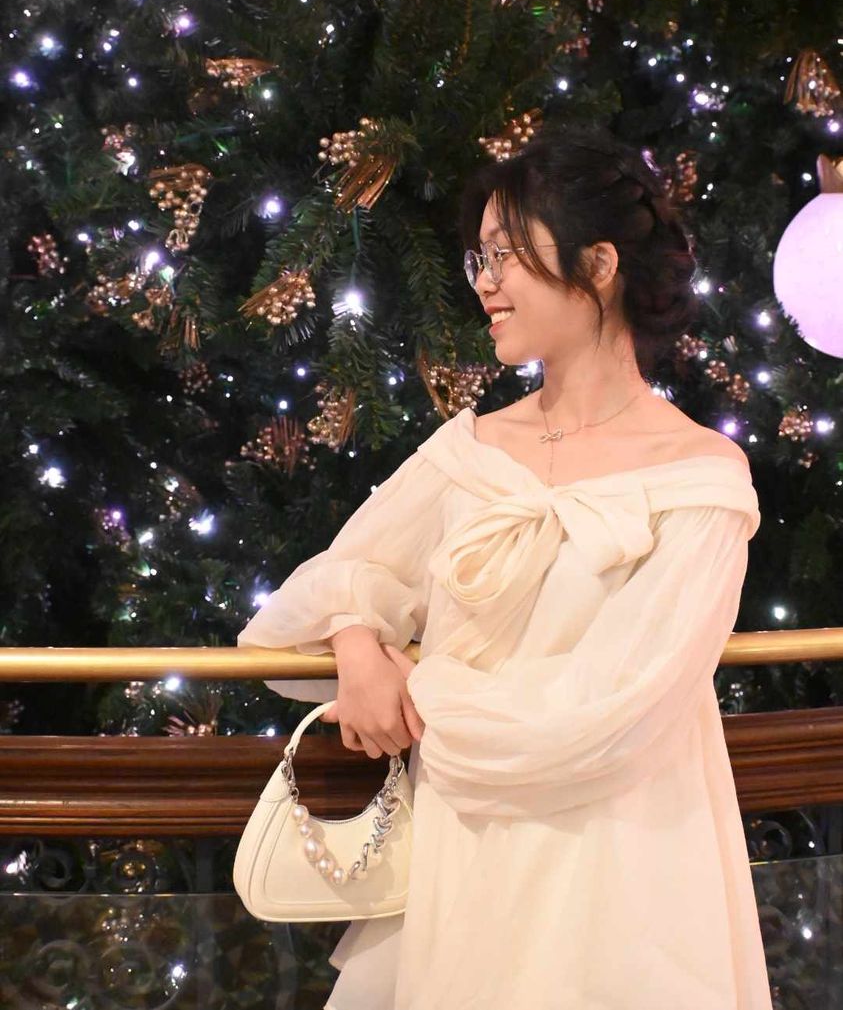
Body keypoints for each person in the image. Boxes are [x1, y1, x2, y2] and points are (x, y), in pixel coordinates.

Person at [237, 121, 774, 1009]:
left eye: (504, 256)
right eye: (476, 259)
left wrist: (417, 690)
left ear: (598, 264)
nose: (483, 283)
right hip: (463, 862)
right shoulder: (470, 452)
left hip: (624, 875)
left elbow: (608, 713)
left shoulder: (699, 479)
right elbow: (328, 584)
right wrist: (357, 641)